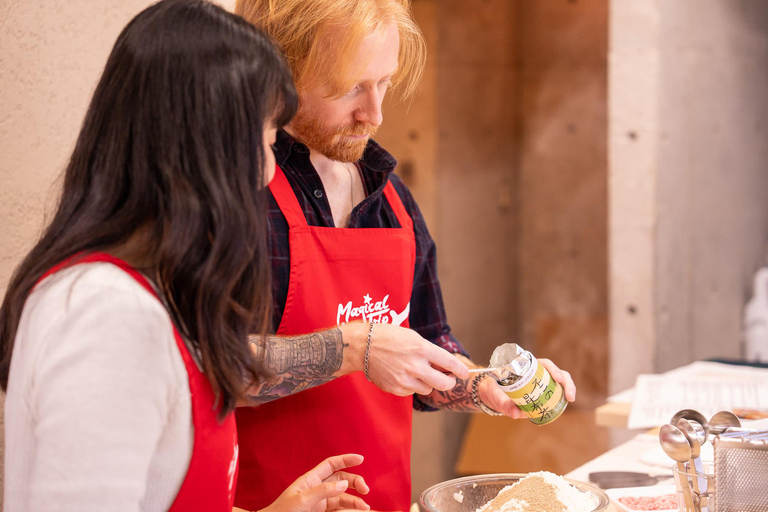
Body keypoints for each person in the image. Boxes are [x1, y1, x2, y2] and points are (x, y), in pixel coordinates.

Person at [0, 1, 380, 510]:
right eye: (266, 141)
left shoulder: (154, 294)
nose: (267, 171)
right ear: (207, 148)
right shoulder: (107, 312)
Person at [232, 1, 578, 511]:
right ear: (278, 77)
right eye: (349, 88)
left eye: (384, 83)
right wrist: (357, 348)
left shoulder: (394, 202)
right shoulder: (239, 200)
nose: (374, 114)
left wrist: (483, 385)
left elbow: (428, 348)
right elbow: (209, 372)